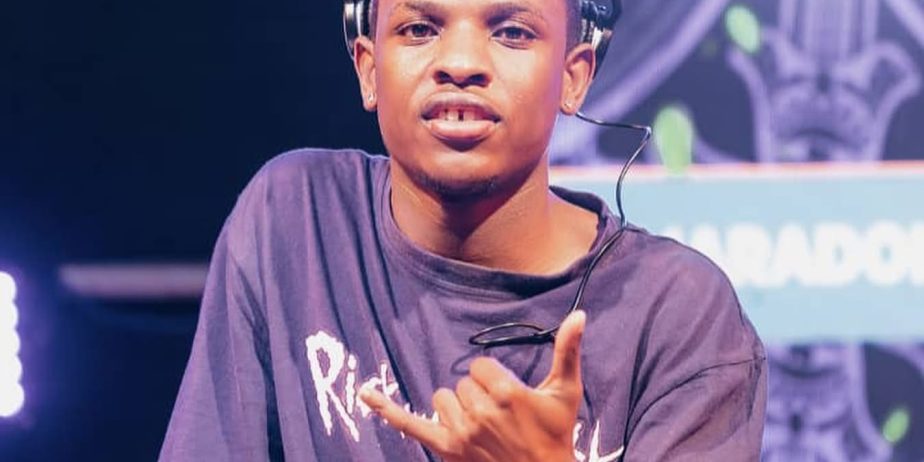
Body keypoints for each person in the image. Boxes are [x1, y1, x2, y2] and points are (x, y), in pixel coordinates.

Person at [159, 0, 767, 460]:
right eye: (419, 28)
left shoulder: (680, 314)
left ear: (574, 77)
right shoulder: (296, 219)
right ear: (368, 67)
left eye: (512, 32)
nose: (460, 64)